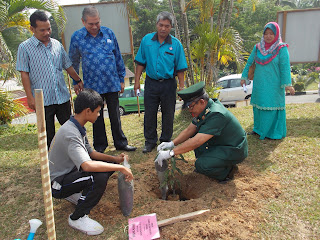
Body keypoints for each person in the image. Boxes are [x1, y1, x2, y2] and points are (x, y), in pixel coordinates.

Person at [49, 88, 133, 236]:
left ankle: (76, 194)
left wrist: (116, 161)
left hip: (69, 174)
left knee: (105, 169)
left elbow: (91, 153)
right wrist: (121, 169)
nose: (99, 114)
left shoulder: (77, 126)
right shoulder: (70, 133)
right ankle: (78, 217)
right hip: (57, 184)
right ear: (88, 111)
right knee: (97, 177)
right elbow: (87, 165)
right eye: (98, 111)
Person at [69, 6, 136, 153]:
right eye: (90, 24)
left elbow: (118, 57)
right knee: (96, 118)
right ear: (83, 21)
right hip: (92, 86)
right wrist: (76, 81)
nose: (94, 27)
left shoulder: (109, 33)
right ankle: (100, 146)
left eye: (97, 23)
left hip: (112, 82)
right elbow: (73, 62)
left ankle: (121, 143)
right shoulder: (77, 37)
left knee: (115, 115)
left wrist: (121, 79)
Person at [156, 82, 248, 182]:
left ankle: (227, 172)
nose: (190, 110)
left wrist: (171, 153)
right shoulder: (206, 108)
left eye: (191, 106)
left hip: (234, 148)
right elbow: (190, 129)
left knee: (201, 165)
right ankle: (214, 161)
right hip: (222, 144)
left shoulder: (216, 114)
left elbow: (197, 141)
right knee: (195, 133)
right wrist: (172, 143)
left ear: (201, 102)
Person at [16, 10, 83, 148]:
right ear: (32, 29)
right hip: (42, 101)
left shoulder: (57, 44)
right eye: (42, 30)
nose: (47, 33)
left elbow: (68, 66)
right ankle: (52, 164)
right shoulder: (25, 48)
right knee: (48, 134)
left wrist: (77, 80)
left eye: (49, 29)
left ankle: (74, 158)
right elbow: (24, 74)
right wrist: (30, 97)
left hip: (62, 97)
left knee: (70, 129)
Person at [134, 11, 188, 153]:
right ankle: (150, 141)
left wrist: (181, 87)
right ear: (156, 25)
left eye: (167, 26)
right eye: (161, 25)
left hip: (168, 84)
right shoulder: (146, 41)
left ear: (171, 27)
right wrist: (137, 81)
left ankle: (165, 141)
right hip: (151, 83)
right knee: (150, 113)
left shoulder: (176, 45)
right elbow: (140, 63)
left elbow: (180, 68)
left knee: (168, 113)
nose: (163, 29)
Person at [240, 22, 295, 140]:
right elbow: (249, 62)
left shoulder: (282, 48)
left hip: (275, 85)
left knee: (272, 106)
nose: (268, 36)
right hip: (260, 84)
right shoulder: (257, 47)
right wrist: (244, 77)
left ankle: (273, 133)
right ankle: (258, 129)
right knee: (259, 105)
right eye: (266, 34)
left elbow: (285, 67)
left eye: (271, 33)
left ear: (276, 34)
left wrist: (288, 85)